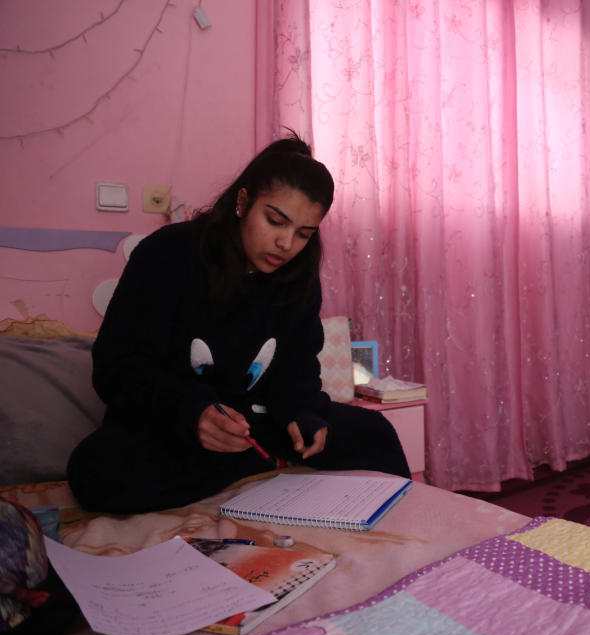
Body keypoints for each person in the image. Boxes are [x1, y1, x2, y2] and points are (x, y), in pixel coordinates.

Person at [68, 133, 410, 514]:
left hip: (259, 427)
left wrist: (302, 414)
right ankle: (255, 466)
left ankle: (254, 464)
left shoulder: (298, 276)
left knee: (375, 433)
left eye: (303, 233)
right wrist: (191, 412)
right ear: (243, 202)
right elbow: (118, 368)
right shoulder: (167, 254)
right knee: (96, 469)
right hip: (172, 424)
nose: (286, 244)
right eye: (275, 221)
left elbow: (296, 370)